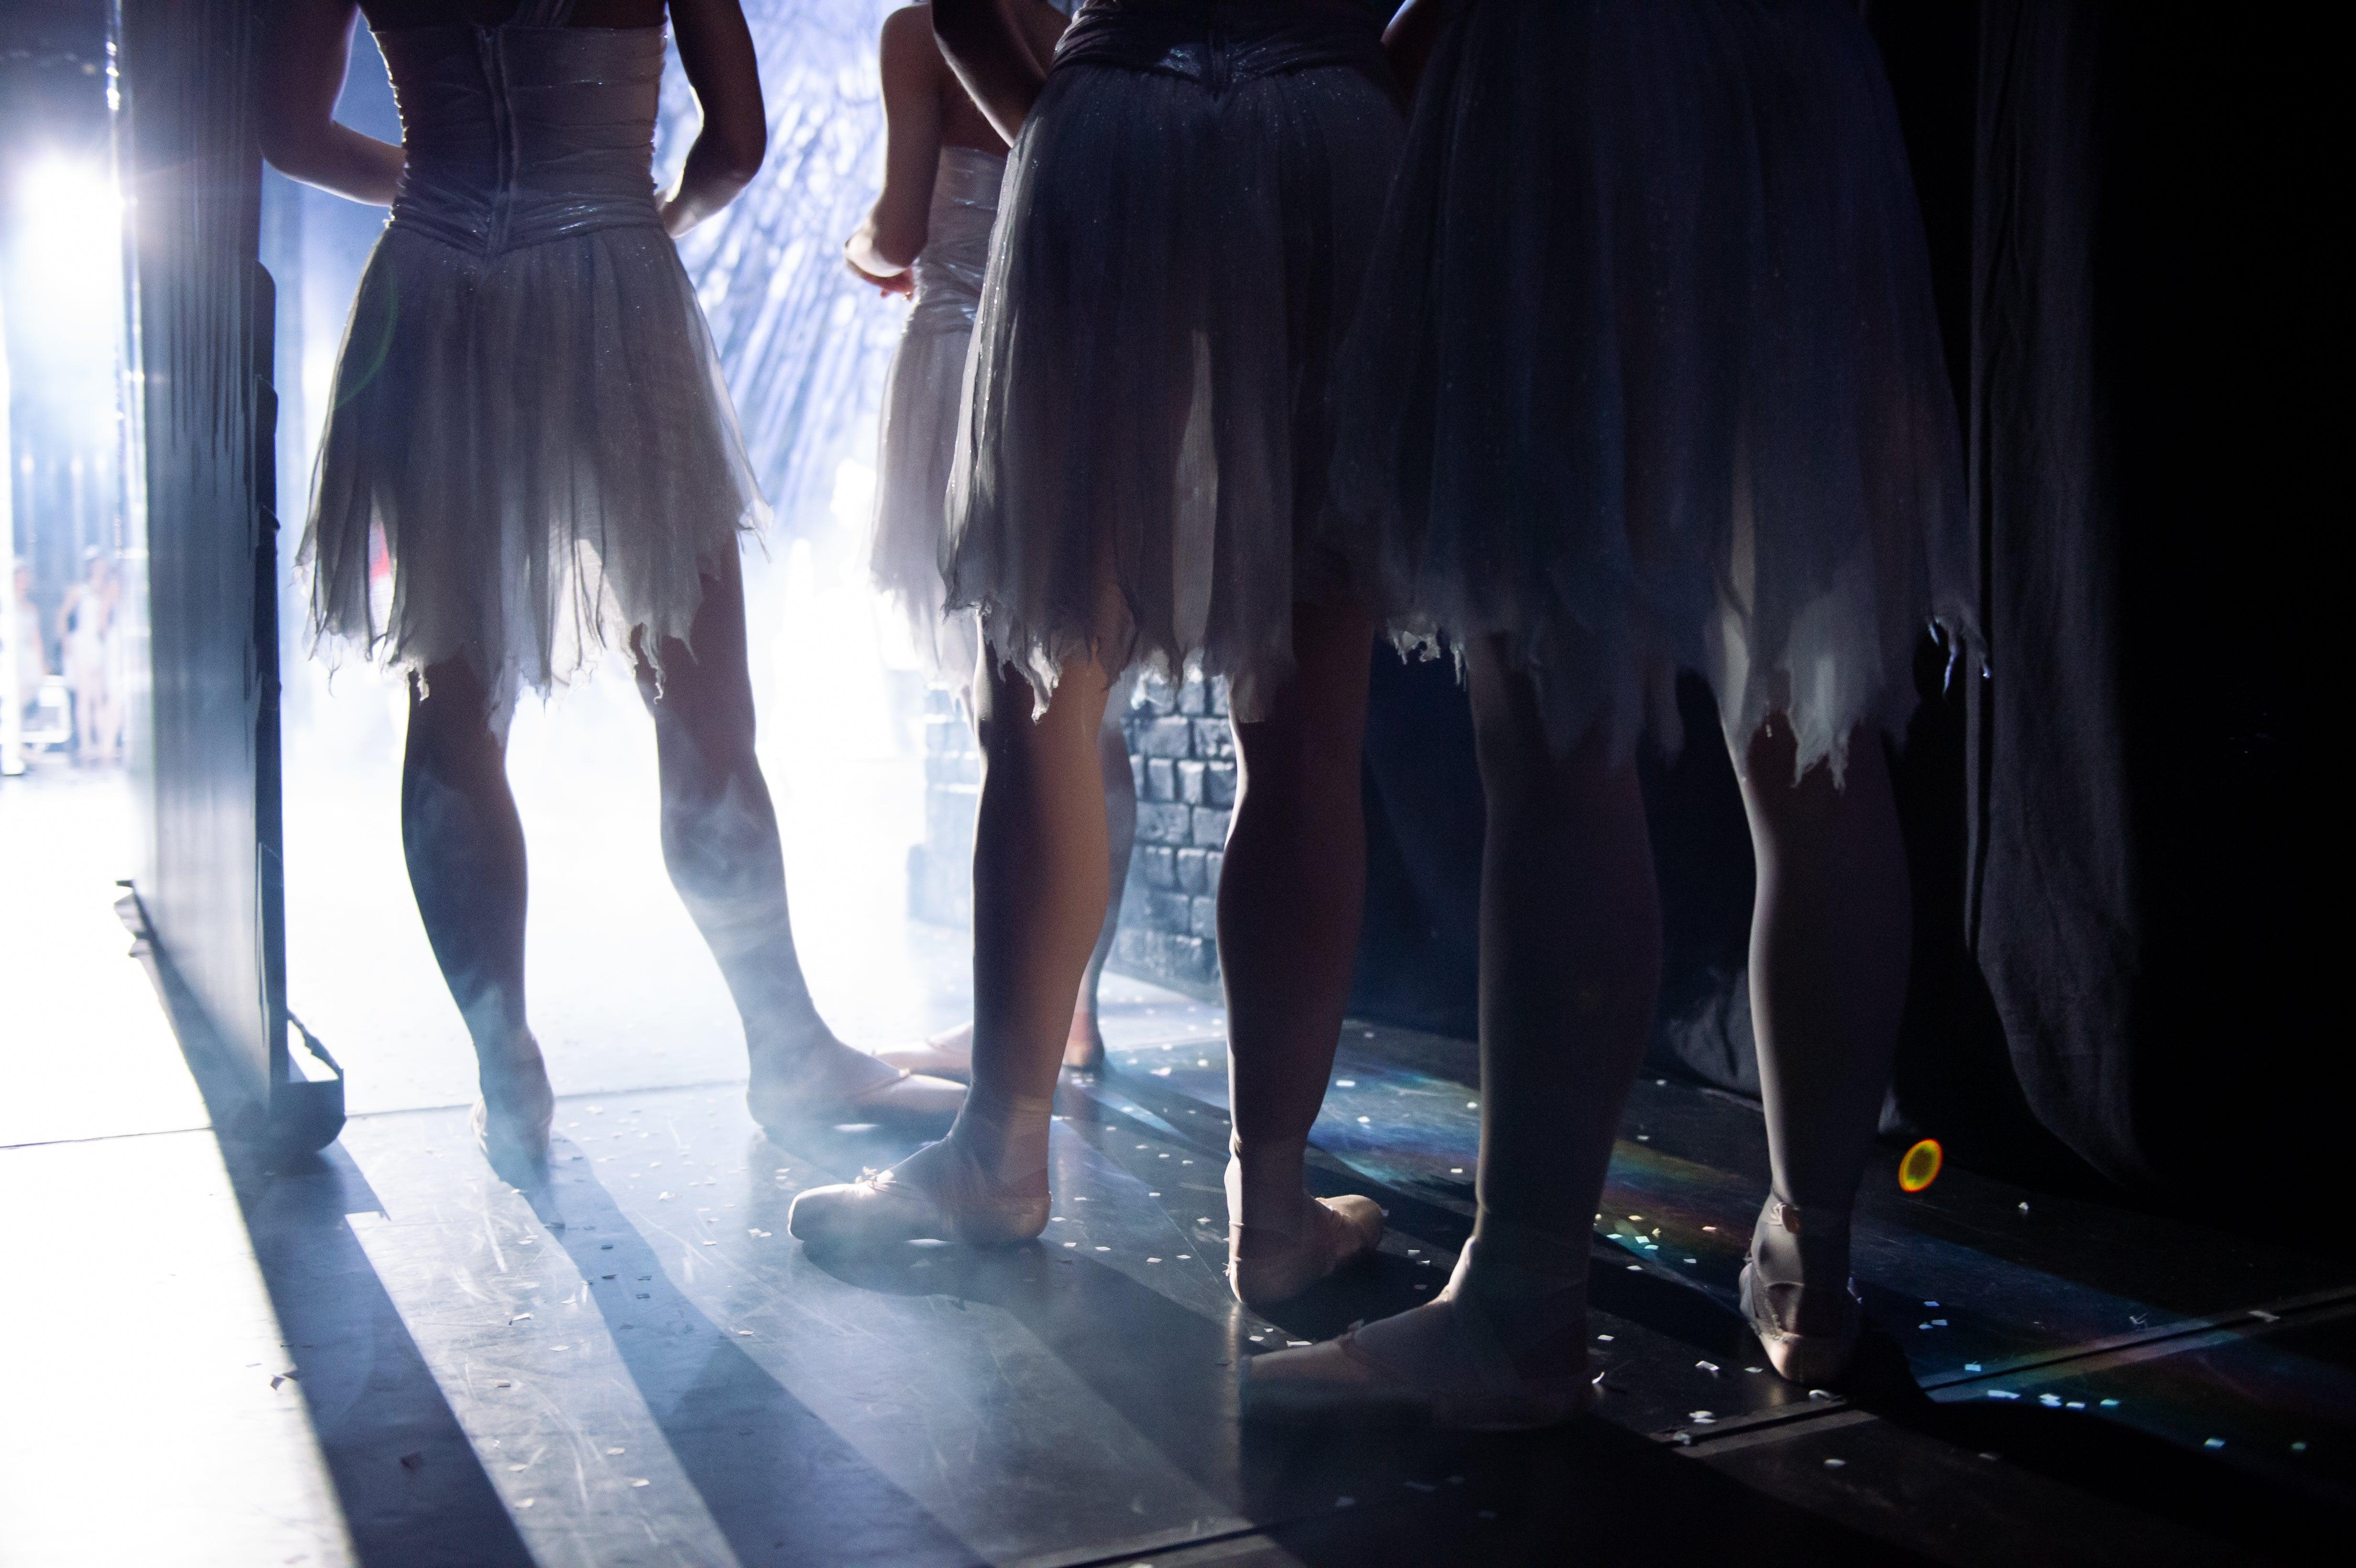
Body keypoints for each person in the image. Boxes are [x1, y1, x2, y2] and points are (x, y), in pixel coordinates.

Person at [1245, 0, 1971, 1425]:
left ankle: (1520, 1302)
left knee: (1557, 721)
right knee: (1812, 719)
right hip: (1795, 76)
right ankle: (1812, 1275)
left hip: (1577, 76)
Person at [261, 0, 962, 1187]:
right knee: (700, 705)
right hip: (608, 283)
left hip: (435, 285)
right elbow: (734, 143)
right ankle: (785, 1044)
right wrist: (655, 216)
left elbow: (284, 127)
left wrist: (434, 189)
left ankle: (504, 1061)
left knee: (453, 699)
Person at [790, 0, 1405, 1310]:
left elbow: (960, 2)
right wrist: (1361, 96)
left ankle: (999, 1152)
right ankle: (1275, 1209)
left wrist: (1083, 133)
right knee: (1305, 716)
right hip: (1333, 130)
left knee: (1038, 681)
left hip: (1112, 120)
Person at [846, 0, 1134, 1084]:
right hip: (1089, 363)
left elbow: (899, 228)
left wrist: (860, 250)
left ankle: (1023, 1025)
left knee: (1007, 724)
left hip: (967, 366)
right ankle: (1076, 1011)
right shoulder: (1104, 29)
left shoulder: (924, 33)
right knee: (1085, 711)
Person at [60, 550, 113, 765]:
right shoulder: (79, 591)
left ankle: (103, 743)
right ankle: (85, 744)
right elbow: (63, 616)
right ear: (90, 566)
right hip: (82, 643)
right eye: (97, 564)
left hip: (101, 645)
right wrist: (66, 643)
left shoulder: (108, 590)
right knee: (84, 694)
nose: (100, 568)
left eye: (103, 564)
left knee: (99, 696)